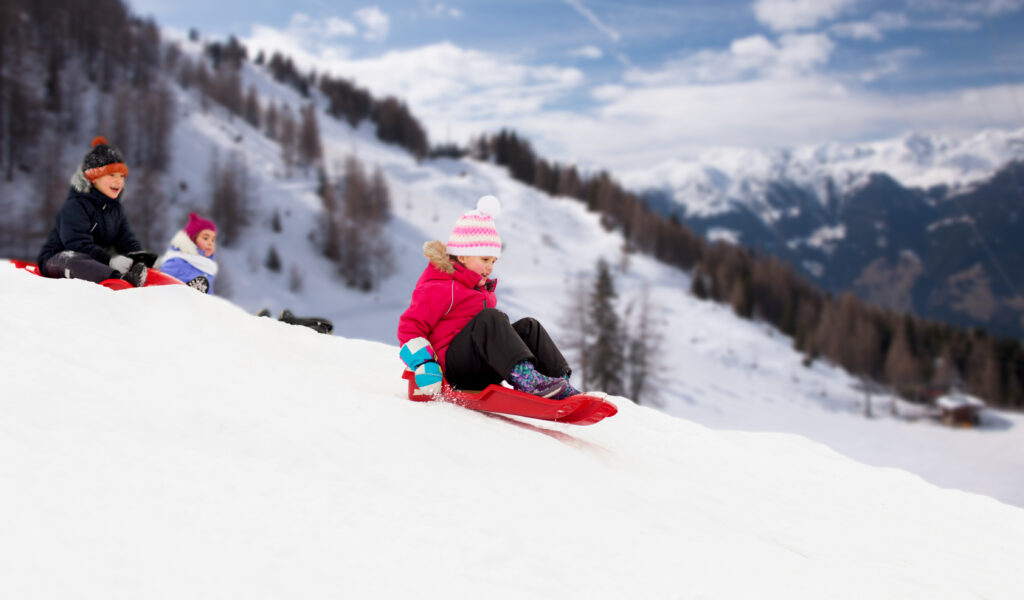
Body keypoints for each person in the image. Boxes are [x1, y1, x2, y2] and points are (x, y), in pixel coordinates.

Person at [397, 195, 582, 399]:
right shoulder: (440, 287)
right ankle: (527, 380)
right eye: (484, 259)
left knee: (530, 327)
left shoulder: (480, 290)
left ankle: (561, 384)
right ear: (462, 256)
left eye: (493, 261)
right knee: (491, 318)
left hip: (481, 366)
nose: (490, 267)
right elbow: (410, 327)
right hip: (452, 370)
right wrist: (425, 365)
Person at [37, 136, 148, 287]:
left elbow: (127, 241)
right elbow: (77, 244)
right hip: (59, 259)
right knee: (73, 260)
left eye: (122, 176)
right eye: (112, 175)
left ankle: (141, 278)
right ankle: (119, 281)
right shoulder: (75, 206)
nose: (119, 181)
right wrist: (110, 261)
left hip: (96, 263)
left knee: (107, 262)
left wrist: (144, 260)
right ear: (94, 178)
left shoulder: (115, 210)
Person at [158, 213, 218, 293]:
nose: (210, 243)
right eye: (205, 238)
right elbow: (158, 283)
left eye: (213, 240)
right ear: (192, 240)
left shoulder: (207, 269)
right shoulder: (178, 262)